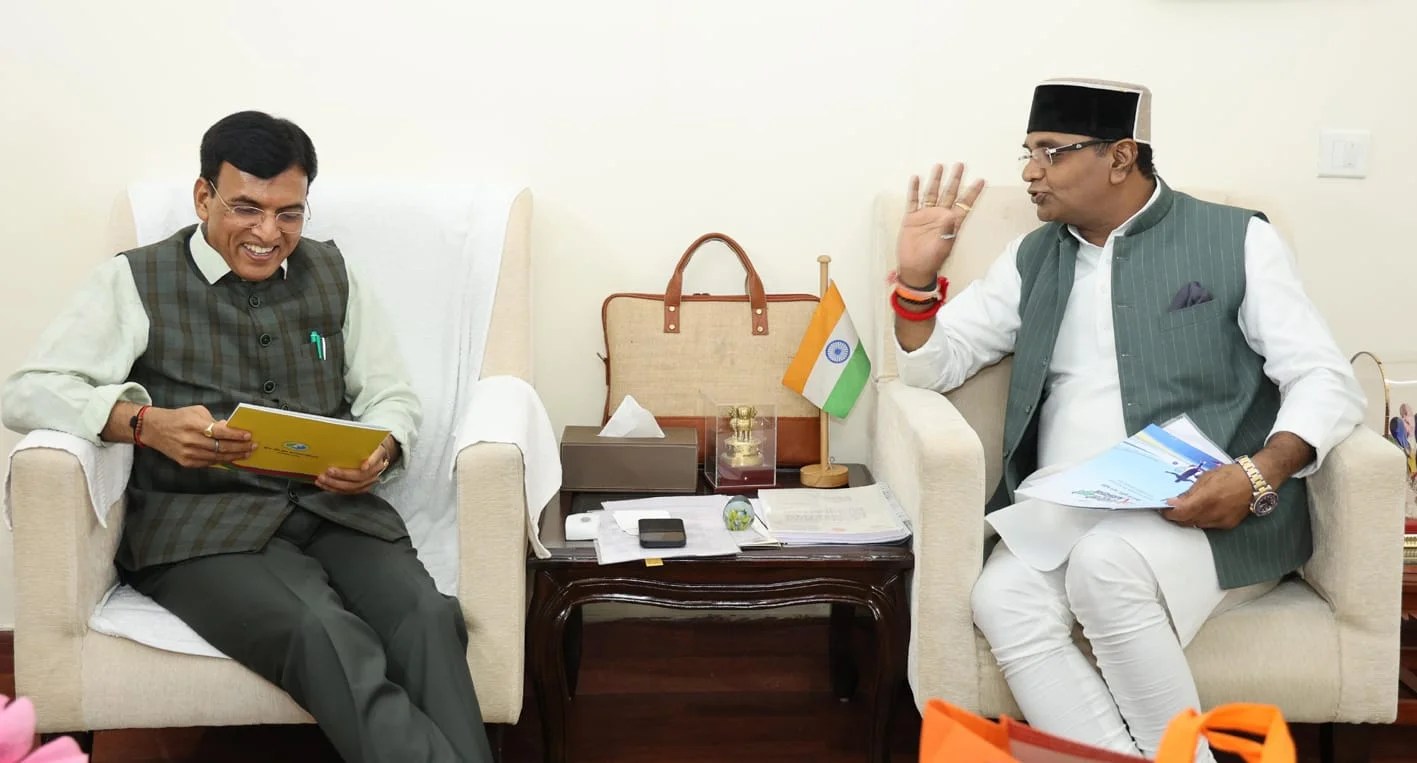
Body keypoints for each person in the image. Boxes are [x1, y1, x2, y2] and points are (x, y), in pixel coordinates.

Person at [891, 79, 1364, 758]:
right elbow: (933, 365)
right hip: (1066, 508)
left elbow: (1323, 376)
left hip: (1206, 508)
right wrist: (915, 281)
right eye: (1028, 152)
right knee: (1001, 598)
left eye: (1051, 152)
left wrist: (1257, 474)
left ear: (1119, 156)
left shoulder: (1236, 238)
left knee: (1105, 565)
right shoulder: (1032, 257)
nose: (1030, 172)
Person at [2, 111, 493, 763]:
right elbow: (27, 390)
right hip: (200, 531)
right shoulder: (134, 280)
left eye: (289, 213)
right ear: (203, 197)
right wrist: (144, 423)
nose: (268, 233)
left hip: (335, 510)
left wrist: (381, 447)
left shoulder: (333, 273)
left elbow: (389, 393)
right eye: (247, 208)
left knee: (428, 618)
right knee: (323, 634)